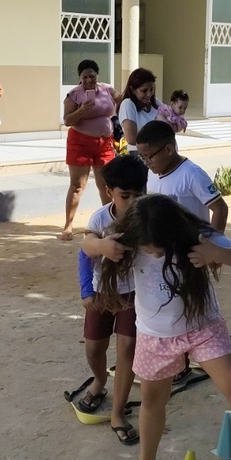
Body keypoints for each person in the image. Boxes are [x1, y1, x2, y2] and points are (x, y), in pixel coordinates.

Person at [95, 194, 231, 460]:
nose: (154, 252)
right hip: (154, 336)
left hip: (202, 327)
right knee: (151, 400)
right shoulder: (127, 241)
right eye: (149, 247)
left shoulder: (195, 237)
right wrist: (100, 247)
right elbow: (85, 245)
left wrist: (217, 253)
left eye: (161, 246)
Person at [77, 155, 148, 445]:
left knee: (127, 348)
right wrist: (86, 291)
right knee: (95, 346)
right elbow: (85, 252)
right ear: (110, 192)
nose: (132, 202)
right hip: (102, 292)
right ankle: (99, 381)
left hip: (136, 294)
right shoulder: (100, 219)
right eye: (124, 196)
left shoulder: (148, 218)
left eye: (138, 195)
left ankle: (118, 412)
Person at [61, 59, 121, 240]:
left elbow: (122, 99)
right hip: (80, 142)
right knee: (78, 185)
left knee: (106, 185)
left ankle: (110, 224)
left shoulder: (107, 89)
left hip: (105, 143)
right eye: (85, 77)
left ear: (97, 76)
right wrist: (82, 110)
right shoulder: (74, 95)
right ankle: (68, 225)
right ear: (80, 77)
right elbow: (67, 121)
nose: (89, 80)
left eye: (92, 76)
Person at [134, 120, 227, 233]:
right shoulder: (152, 172)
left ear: (169, 149)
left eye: (149, 156)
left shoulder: (193, 174)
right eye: (142, 157)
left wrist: (213, 243)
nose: (146, 162)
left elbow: (220, 209)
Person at [118, 68, 162, 150]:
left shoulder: (156, 103)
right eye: (144, 91)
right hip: (141, 156)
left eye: (151, 89)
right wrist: (160, 141)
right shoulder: (128, 104)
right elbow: (132, 139)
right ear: (132, 90)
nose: (149, 94)